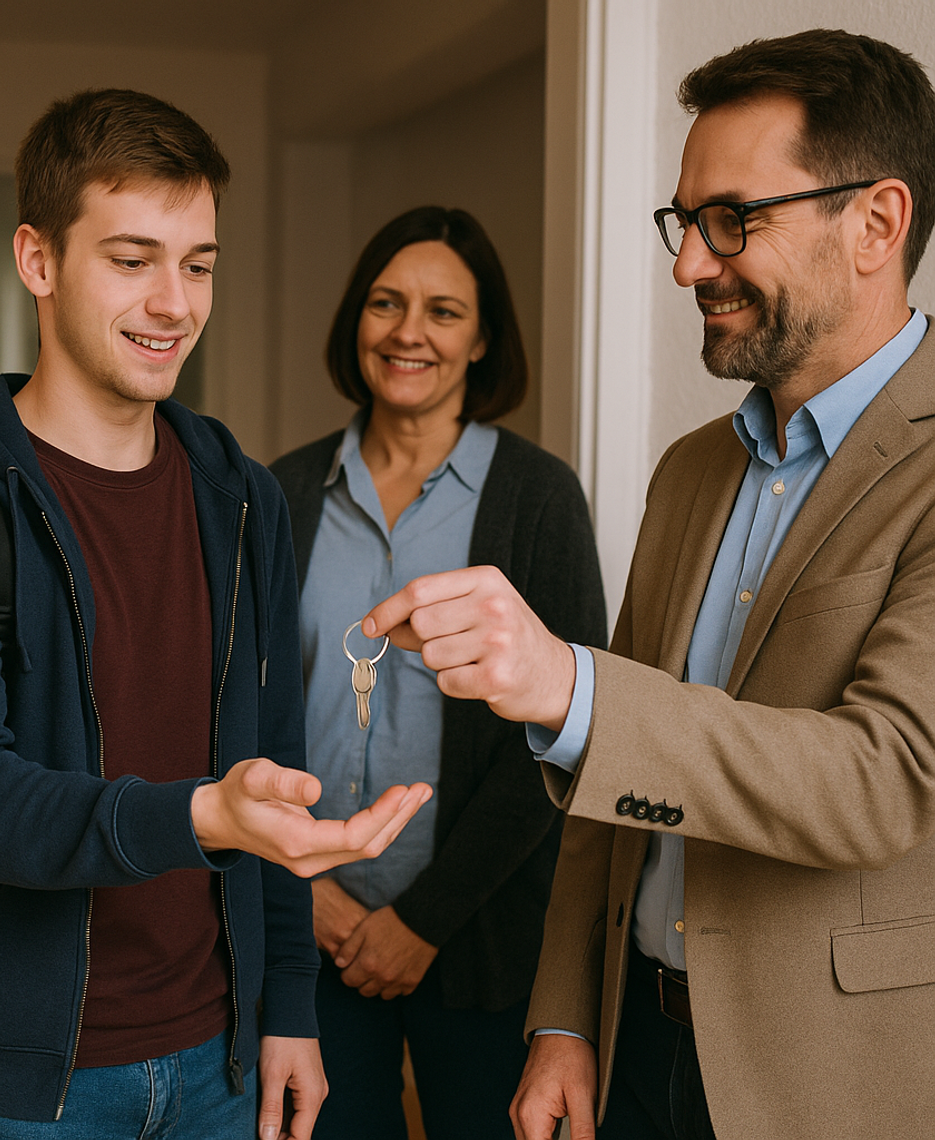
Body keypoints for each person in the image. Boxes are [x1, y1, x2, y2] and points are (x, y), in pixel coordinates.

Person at [363, 28, 935, 1140]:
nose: (688, 265)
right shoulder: (691, 472)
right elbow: (611, 789)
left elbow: (885, 779)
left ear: (875, 224)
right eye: (686, 223)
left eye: (734, 220)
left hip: (824, 1084)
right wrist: (564, 1022)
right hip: (632, 1051)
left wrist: (571, 688)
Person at [0, 89, 430, 1140]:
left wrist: (287, 1006)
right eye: (131, 258)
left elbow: (276, 764)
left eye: (197, 264)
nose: (174, 302)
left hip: (224, 1063)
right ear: (37, 259)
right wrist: (202, 814)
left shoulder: (243, 496)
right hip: (18, 1093)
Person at [271, 207, 606, 1139]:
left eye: (444, 310)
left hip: (479, 938)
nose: (408, 330)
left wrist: (422, 921)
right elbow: (241, 711)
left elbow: (569, 731)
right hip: (310, 933)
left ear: (483, 337)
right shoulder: (280, 492)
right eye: (386, 303)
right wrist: (309, 892)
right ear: (356, 324)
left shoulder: (538, 498)